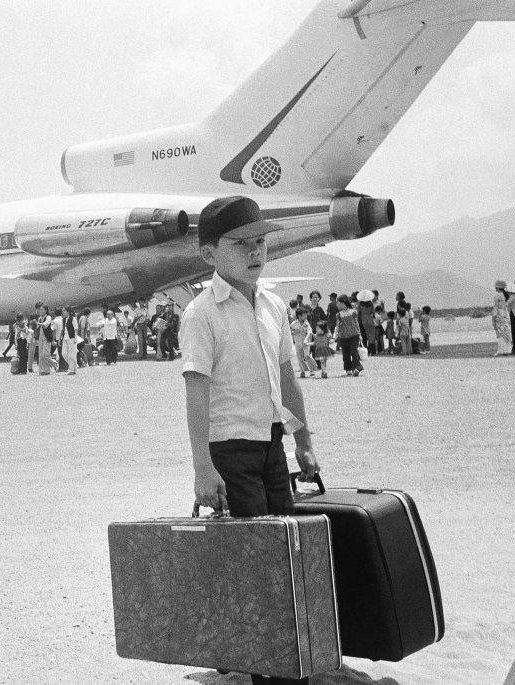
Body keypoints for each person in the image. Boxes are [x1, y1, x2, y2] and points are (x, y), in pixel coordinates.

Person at [181, 196, 319, 685]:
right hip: (229, 450)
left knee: (284, 546)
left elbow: (287, 377)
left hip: (271, 444)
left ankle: (272, 652)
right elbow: (196, 393)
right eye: (241, 244)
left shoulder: (275, 306)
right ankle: (262, 665)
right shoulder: (201, 314)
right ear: (209, 255)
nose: (255, 252)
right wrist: (203, 467)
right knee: (253, 556)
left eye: (260, 242)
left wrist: (303, 442)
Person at [335, 295, 364, 376]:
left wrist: (360, 334)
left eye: (338, 303)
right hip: (343, 337)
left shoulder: (353, 312)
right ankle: (348, 369)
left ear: (343, 303)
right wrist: (335, 336)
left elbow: (356, 324)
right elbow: (337, 326)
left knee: (354, 351)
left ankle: (357, 368)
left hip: (354, 335)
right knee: (345, 354)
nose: (336, 304)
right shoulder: (339, 315)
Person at [290, 308, 316, 378]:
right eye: (304, 315)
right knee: (299, 357)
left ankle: (311, 370)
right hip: (298, 343)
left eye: (306, 314)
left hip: (306, 344)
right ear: (299, 316)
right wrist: (296, 331)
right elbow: (290, 332)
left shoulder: (306, 323)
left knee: (307, 356)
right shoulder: (293, 324)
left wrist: (306, 339)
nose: (306, 316)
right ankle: (302, 371)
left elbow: (309, 332)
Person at [493, 280, 514, 356]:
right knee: (506, 332)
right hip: (506, 314)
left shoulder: (497, 296)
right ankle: (508, 349)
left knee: (500, 333)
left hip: (499, 314)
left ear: (498, 287)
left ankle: (501, 350)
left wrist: (493, 317)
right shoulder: (508, 296)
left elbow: (495, 307)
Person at [58, 306, 79, 375]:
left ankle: (72, 369)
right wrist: (59, 339)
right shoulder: (63, 319)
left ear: (68, 311)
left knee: (72, 354)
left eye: (64, 311)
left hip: (71, 338)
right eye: (62, 311)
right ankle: (73, 366)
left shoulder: (73, 319)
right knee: (64, 353)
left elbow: (76, 329)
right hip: (65, 338)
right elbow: (62, 329)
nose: (63, 312)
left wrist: (75, 338)